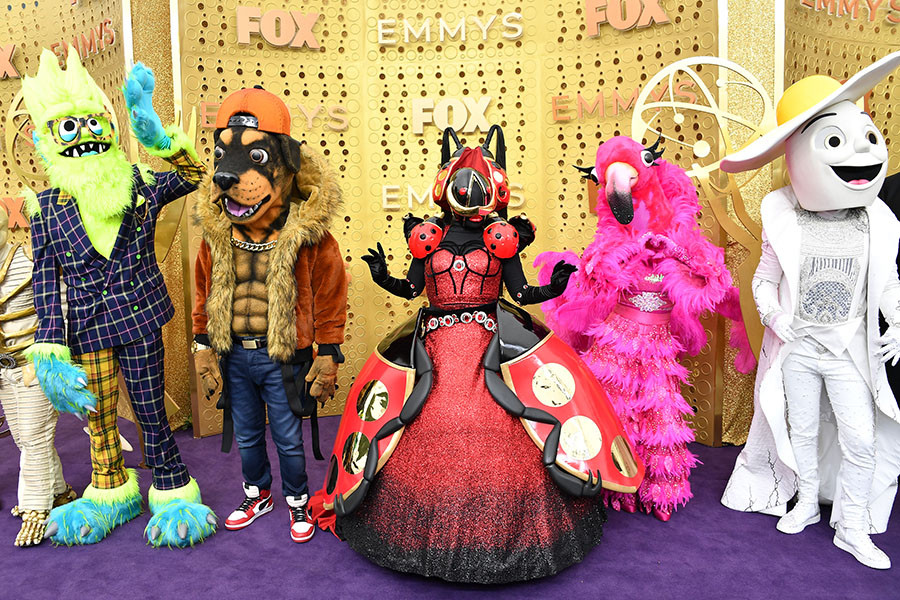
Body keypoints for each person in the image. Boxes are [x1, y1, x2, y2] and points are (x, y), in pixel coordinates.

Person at [720, 52, 900, 570]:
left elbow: (887, 283)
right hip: (800, 348)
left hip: (848, 351)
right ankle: (803, 504)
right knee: (799, 431)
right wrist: (779, 320)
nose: (858, 152)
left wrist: (897, 323)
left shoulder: (878, 221)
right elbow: (763, 281)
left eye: (864, 137)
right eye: (835, 141)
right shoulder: (783, 218)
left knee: (860, 437)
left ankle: (855, 526)